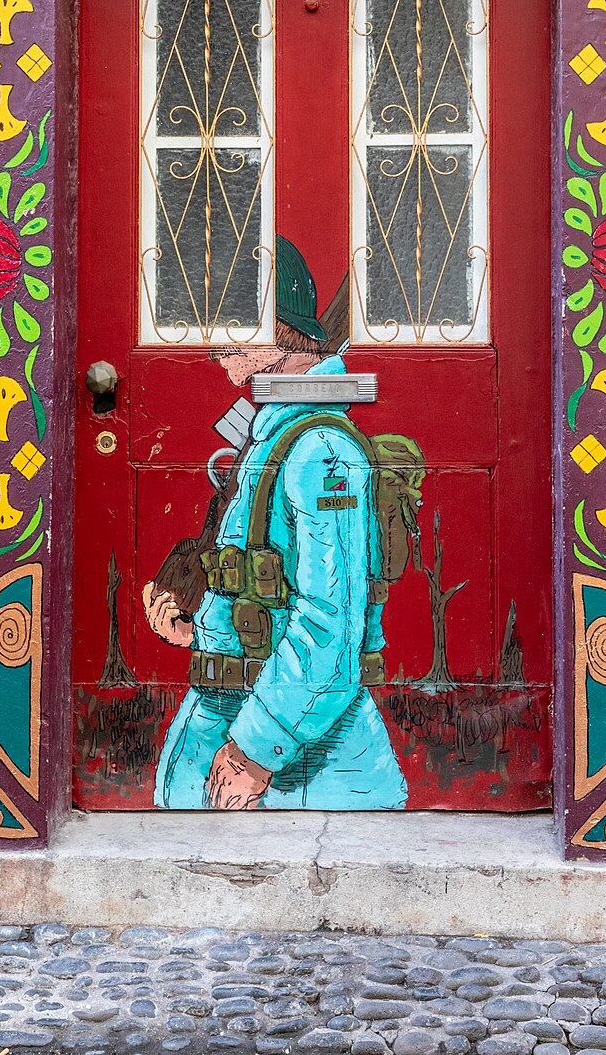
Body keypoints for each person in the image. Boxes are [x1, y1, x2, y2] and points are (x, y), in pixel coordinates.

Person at [142, 237, 407, 811]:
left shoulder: (320, 450)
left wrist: (255, 753)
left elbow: (329, 625)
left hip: (300, 765)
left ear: (279, 327)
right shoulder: (273, 432)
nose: (212, 344)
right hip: (228, 723)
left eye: (229, 320)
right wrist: (202, 633)